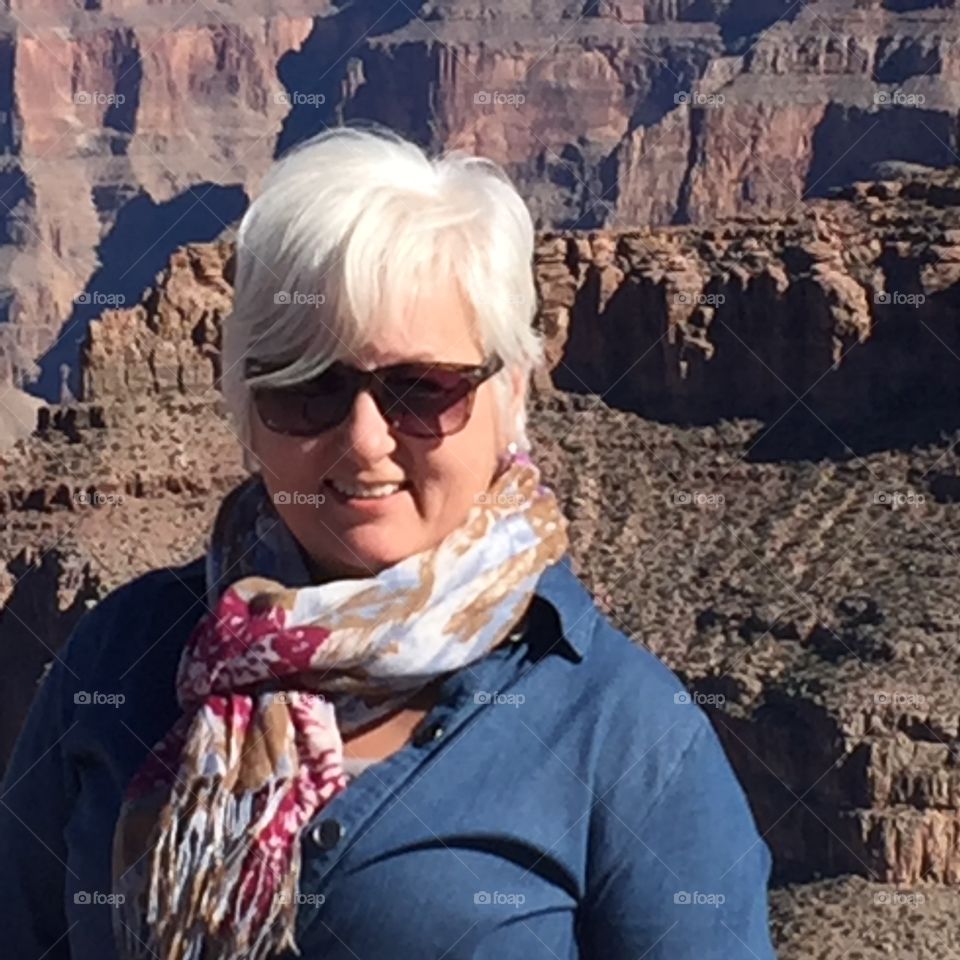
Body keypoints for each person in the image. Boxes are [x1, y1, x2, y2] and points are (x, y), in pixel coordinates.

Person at [0, 122, 777, 960]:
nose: (366, 440)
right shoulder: (121, 656)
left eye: (421, 389)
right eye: (307, 388)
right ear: (247, 412)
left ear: (508, 392)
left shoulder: (624, 734)